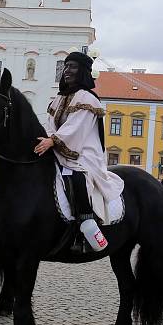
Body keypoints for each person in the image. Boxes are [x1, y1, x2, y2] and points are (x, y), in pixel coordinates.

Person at [35, 51, 125, 254]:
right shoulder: (59, 98)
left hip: (83, 154)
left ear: (83, 71)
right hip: (60, 148)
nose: (67, 71)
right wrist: (46, 138)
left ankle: (86, 229)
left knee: (76, 178)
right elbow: (50, 124)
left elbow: (77, 127)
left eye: (72, 67)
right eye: (66, 67)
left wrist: (53, 140)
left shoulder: (87, 98)